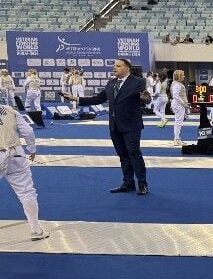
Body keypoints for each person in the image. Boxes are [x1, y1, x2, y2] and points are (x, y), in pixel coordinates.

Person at [63, 58, 151, 195]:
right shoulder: (111, 83)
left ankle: (142, 184)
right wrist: (75, 99)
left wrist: (146, 99)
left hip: (131, 125)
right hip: (114, 126)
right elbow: (98, 99)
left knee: (134, 154)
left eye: (118, 66)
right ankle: (128, 183)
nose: (114, 68)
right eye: (114, 66)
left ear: (127, 68)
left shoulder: (138, 82)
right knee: (123, 156)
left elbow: (145, 98)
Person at [0, 96, 48, 240]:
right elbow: (28, 132)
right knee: (26, 192)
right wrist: (32, 149)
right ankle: (36, 230)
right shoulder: (10, 110)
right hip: (15, 153)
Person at [169, 70, 189, 146]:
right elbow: (175, 95)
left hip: (178, 104)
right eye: (182, 75)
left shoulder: (177, 83)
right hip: (178, 105)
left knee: (178, 122)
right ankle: (176, 139)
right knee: (178, 122)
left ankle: (177, 139)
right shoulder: (176, 84)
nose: (184, 76)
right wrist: (183, 103)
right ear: (179, 76)